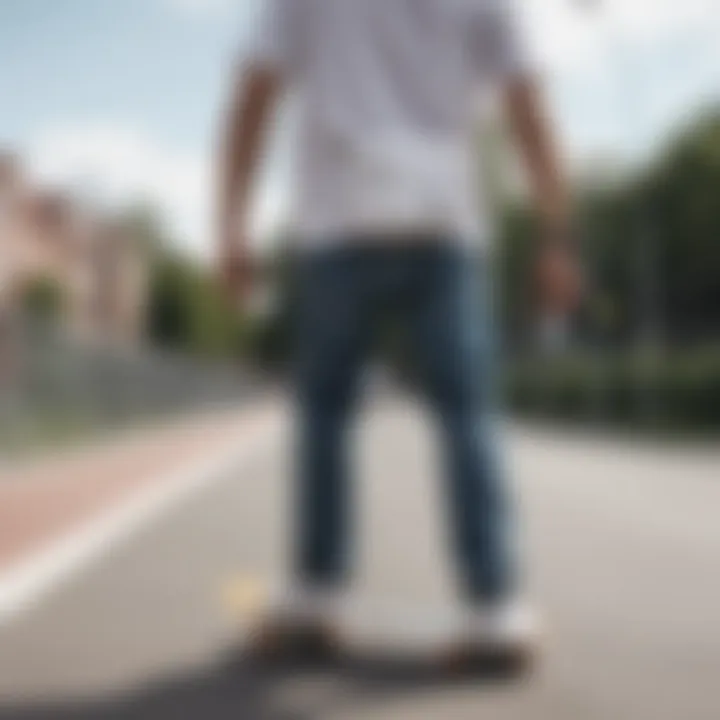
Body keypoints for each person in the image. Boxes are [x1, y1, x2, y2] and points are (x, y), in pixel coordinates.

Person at [218, 0, 581, 658]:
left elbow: (254, 95)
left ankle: (314, 595)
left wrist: (232, 225)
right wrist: (557, 235)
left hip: (338, 219)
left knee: (325, 411)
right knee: (468, 413)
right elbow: (530, 106)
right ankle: (495, 605)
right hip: (443, 220)